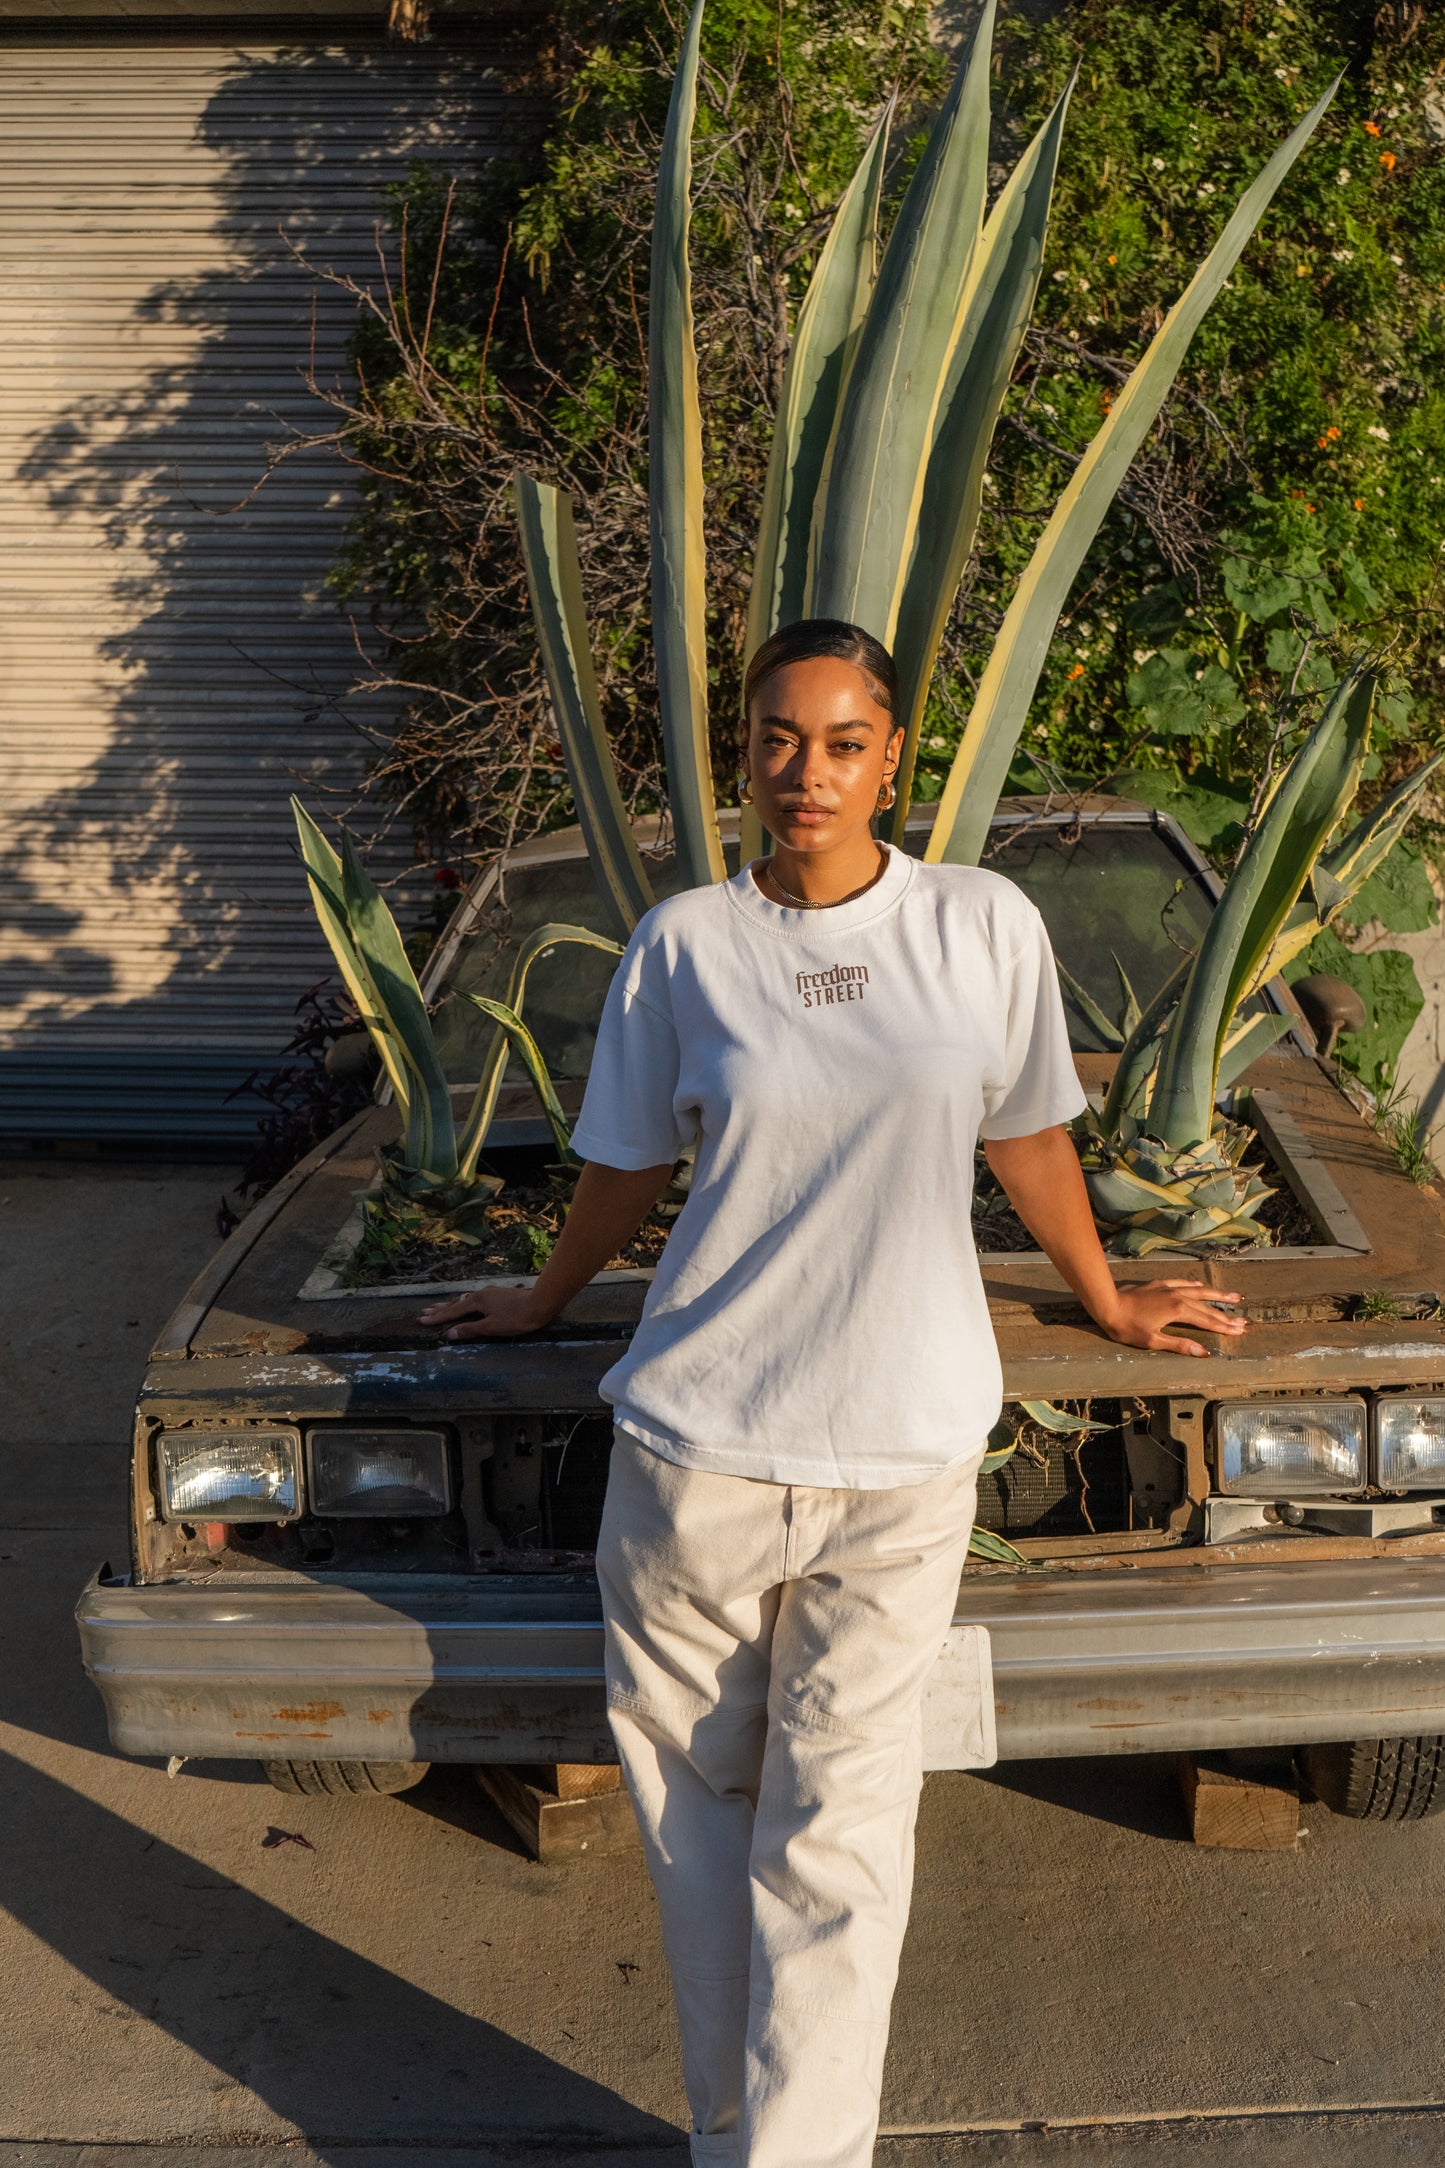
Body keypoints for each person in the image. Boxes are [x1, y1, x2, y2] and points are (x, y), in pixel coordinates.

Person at [421, 617, 1246, 2167]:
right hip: (696, 1457)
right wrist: (541, 1299)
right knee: (696, 1826)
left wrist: (1109, 1298)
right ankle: (746, 2141)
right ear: (741, 756)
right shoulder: (686, 944)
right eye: (776, 742)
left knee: (840, 1841)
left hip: (904, 1451)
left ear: (894, 759)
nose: (807, 773)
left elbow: (1028, 1136)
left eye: (842, 741)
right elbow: (623, 1168)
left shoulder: (981, 924)